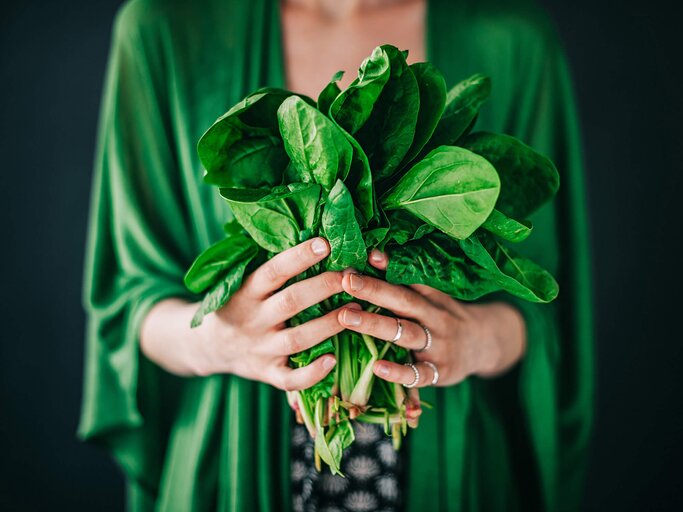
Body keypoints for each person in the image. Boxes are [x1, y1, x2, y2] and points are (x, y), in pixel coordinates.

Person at [78, 0, 594, 510]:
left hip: (455, 467)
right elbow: (129, 301)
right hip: (232, 467)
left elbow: (547, 302)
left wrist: (476, 340)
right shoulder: (163, 28)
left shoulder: (512, 38)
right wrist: (221, 341)